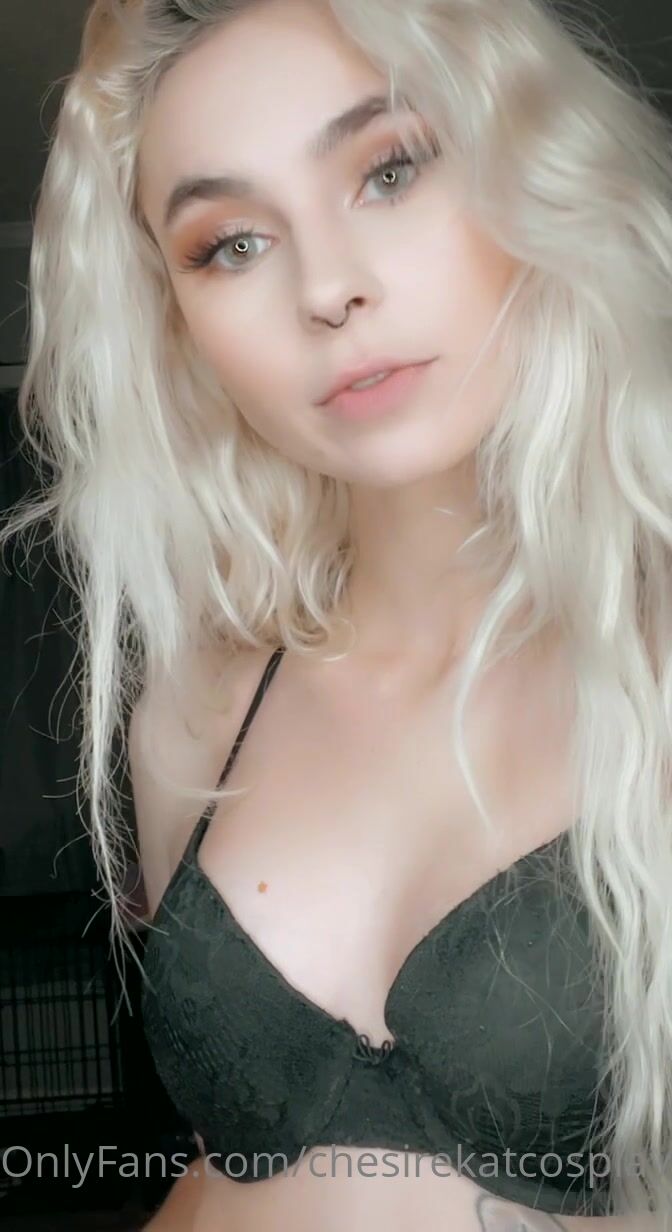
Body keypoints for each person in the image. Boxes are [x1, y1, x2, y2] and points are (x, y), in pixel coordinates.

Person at [3, 0, 672, 1228]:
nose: (326, 288)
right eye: (232, 244)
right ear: (180, 327)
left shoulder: (656, 664)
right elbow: (223, 1170)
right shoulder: (202, 711)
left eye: (390, 170)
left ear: (532, 168)